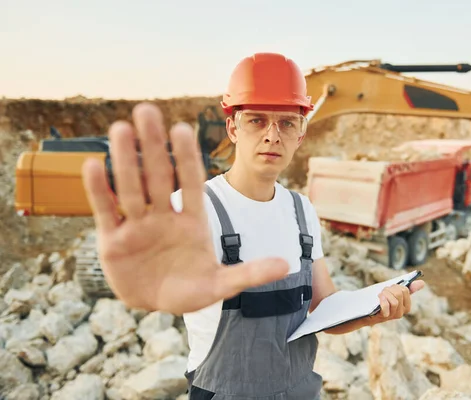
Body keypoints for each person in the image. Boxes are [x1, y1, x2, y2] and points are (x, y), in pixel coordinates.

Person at [82, 52, 424, 399]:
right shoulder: (193, 210)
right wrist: (142, 285)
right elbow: (154, 273)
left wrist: (371, 311)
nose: (273, 135)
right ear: (233, 127)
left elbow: (322, 307)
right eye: (257, 121)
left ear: (301, 135)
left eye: (288, 123)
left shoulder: (301, 210)